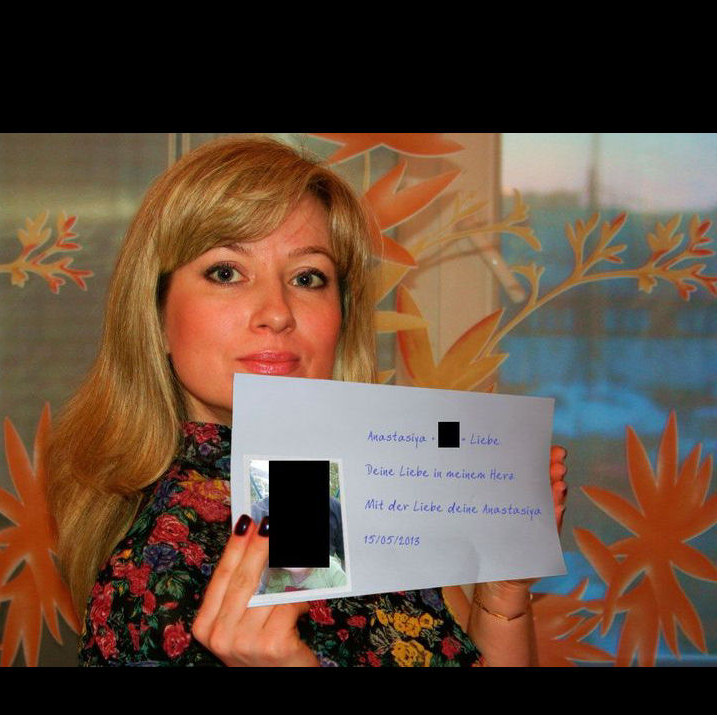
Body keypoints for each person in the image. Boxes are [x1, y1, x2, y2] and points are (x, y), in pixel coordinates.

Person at [47, 135, 567, 667]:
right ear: (157, 315)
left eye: (307, 277)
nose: (277, 312)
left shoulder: (347, 488)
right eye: (226, 272)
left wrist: (503, 593)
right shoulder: (154, 585)